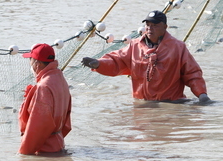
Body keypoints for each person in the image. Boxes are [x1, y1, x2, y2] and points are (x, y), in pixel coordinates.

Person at [81, 10, 211, 103]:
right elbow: (117, 61)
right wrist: (99, 64)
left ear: (165, 27)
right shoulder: (135, 46)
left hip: (171, 104)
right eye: (148, 25)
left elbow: (192, 74)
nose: (150, 28)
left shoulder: (178, 48)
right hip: (142, 104)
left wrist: (202, 94)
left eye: (155, 25)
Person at [18, 43, 72, 155]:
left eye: (31, 61)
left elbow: (38, 126)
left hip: (45, 151)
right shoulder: (60, 78)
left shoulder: (43, 87)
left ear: (37, 64)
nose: (30, 65)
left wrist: (23, 154)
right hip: (58, 144)